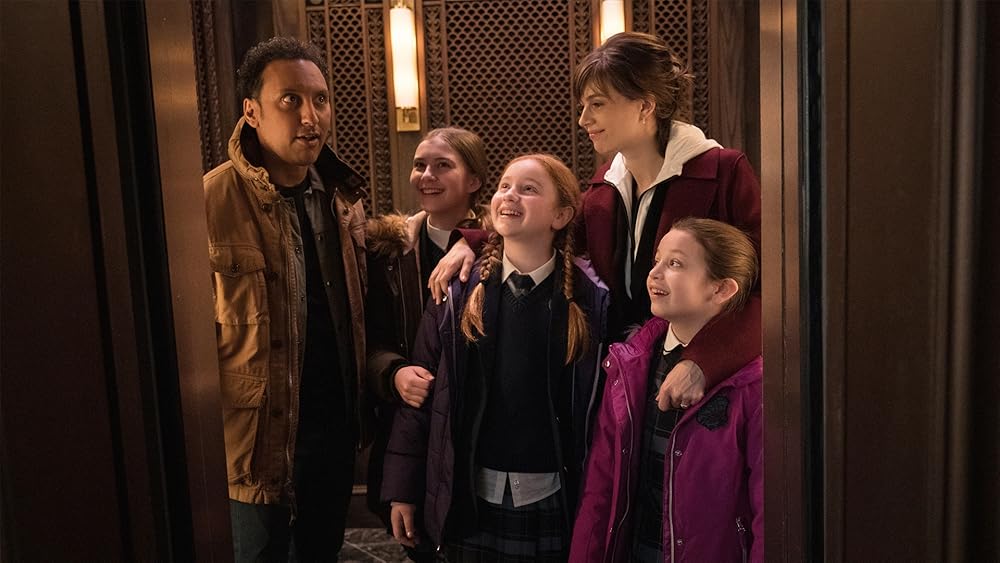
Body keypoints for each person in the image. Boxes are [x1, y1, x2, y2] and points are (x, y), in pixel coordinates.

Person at [428, 31, 761, 411]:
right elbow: (547, 233)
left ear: (644, 106)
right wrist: (468, 243)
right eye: (584, 105)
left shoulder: (722, 171)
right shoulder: (604, 187)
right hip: (629, 378)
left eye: (597, 104)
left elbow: (770, 291)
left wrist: (705, 361)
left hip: (712, 386)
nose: (584, 118)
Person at [381, 155, 609, 561]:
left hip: (552, 495)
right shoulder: (456, 294)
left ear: (561, 215)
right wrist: (402, 488)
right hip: (470, 493)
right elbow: (421, 396)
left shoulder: (591, 302)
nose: (510, 195)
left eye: (529, 189)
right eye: (504, 186)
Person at [203, 36, 372, 562]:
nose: (310, 116)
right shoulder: (210, 200)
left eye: (320, 99)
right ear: (251, 111)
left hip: (332, 431)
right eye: (290, 100)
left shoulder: (342, 197)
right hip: (255, 441)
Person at [570, 218, 763, 562]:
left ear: (722, 289)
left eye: (675, 263)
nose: (654, 273)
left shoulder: (752, 382)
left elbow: (768, 509)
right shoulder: (629, 362)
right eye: (657, 259)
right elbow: (601, 485)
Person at [364, 127, 489, 560]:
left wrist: (476, 241)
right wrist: (393, 371)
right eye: (420, 165)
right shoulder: (387, 250)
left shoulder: (503, 244)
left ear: (474, 181)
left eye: (443, 165)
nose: (427, 175)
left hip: (475, 429)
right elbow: (367, 338)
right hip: (410, 424)